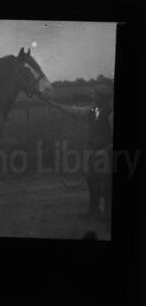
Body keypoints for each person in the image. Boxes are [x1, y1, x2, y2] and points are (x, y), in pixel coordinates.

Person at [41, 84, 113, 221]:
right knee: (92, 181)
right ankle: (94, 211)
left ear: (103, 98)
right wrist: (52, 103)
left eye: (96, 94)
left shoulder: (111, 114)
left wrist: (105, 150)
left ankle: (108, 216)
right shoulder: (92, 111)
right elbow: (73, 111)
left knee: (107, 186)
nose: (93, 96)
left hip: (107, 156)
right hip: (94, 154)